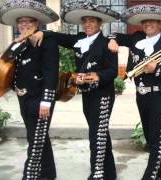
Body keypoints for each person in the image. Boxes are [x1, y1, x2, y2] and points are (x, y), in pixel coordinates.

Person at [32, 1, 120, 179]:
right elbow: (57, 37)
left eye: (92, 21)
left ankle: (98, 174)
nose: (88, 24)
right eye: (85, 21)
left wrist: (96, 76)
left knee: (97, 137)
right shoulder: (79, 39)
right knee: (100, 133)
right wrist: (42, 31)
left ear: (99, 23)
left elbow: (112, 71)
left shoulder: (108, 43)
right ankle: (109, 173)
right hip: (87, 96)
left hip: (102, 96)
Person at [108, 4, 161, 180]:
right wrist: (112, 40)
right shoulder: (136, 37)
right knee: (150, 136)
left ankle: (151, 175)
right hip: (141, 95)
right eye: (145, 21)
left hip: (157, 95)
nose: (148, 24)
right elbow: (115, 35)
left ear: (160, 24)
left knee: (156, 138)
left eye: (153, 21)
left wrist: (156, 70)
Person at [0, 0, 60, 180]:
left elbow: (51, 74)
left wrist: (46, 101)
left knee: (35, 144)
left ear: (36, 23)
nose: (24, 25)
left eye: (29, 21)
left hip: (40, 101)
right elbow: (5, 57)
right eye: (21, 22)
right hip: (24, 98)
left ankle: (29, 176)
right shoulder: (19, 44)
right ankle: (48, 174)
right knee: (37, 138)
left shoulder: (47, 42)